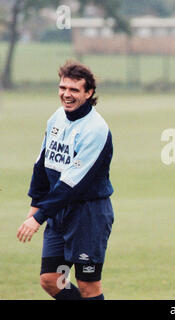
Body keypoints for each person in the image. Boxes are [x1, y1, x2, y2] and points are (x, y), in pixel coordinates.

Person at [17, 61, 114, 300]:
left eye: (74, 90)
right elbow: (42, 164)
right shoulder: (57, 118)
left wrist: (39, 217)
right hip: (59, 212)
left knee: (88, 286)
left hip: (87, 216)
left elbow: (71, 184)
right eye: (63, 88)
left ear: (89, 93)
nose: (66, 94)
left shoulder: (96, 129)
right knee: (51, 280)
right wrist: (35, 203)